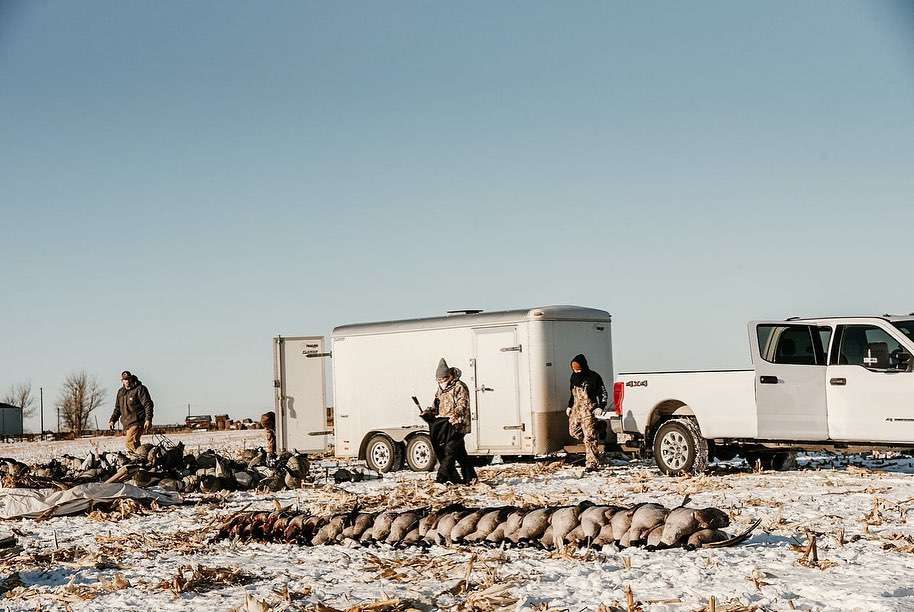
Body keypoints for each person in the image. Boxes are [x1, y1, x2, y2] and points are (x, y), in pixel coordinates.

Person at [427, 358, 477, 485]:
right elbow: (436, 404)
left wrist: (456, 414)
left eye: (443, 379)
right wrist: (430, 411)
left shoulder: (459, 386)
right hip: (446, 426)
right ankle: (470, 478)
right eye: (439, 380)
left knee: (449, 452)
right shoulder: (440, 389)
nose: (442, 382)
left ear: (449, 376)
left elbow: (463, 403)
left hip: (458, 425)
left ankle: (441, 478)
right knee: (460, 454)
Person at [567, 354, 608, 472]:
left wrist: (601, 406)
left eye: (579, 369)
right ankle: (600, 427)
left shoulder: (594, 377)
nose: (577, 371)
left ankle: (592, 463)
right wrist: (569, 406)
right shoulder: (573, 377)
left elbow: (603, 393)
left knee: (589, 437)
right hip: (576, 409)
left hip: (589, 409)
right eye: (574, 369)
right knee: (573, 432)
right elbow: (572, 394)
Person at [108, 370, 154, 454]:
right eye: (125, 379)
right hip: (127, 424)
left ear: (131, 378)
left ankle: (137, 461)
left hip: (137, 422)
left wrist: (148, 419)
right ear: (122, 380)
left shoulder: (140, 389)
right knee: (134, 445)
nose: (127, 381)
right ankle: (143, 460)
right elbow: (117, 408)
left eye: (128, 379)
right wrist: (112, 420)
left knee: (130, 443)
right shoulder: (121, 392)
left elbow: (148, 404)